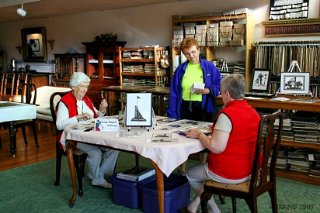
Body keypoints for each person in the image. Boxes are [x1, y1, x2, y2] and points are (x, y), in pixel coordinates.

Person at [184, 74, 261, 213]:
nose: (220, 95)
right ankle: (193, 206)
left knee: (190, 174)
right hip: (251, 170)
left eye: (221, 92)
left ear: (227, 93)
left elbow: (216, 147)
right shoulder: (254, 112)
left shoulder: (226, 114)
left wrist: (199, 134)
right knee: (204, 178)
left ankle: (214, 209)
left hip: (230, 173)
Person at [56, 72, 119, 189]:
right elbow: (59, 125)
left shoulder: (87, 100)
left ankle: (98, 174)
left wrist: (102, 110)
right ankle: (97, 178)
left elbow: (96, 118)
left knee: (114, 148)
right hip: (74, 138)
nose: (85, 90)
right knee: (96, 152)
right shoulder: (64, 102)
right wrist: (77, 118)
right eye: (82, 86)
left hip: (92, 135)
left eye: (86, 86)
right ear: (74, 86)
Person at [167, 37, 221, 122]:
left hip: (204, 109)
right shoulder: (180, 70)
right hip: (184, 108)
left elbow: (219, 85)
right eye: (187, 54)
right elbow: (173, 94)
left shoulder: (210, 67)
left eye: (193, 52)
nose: (191, 56)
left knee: (203, 133)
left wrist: (208, 90)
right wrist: (172, 115)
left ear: (198, 49)